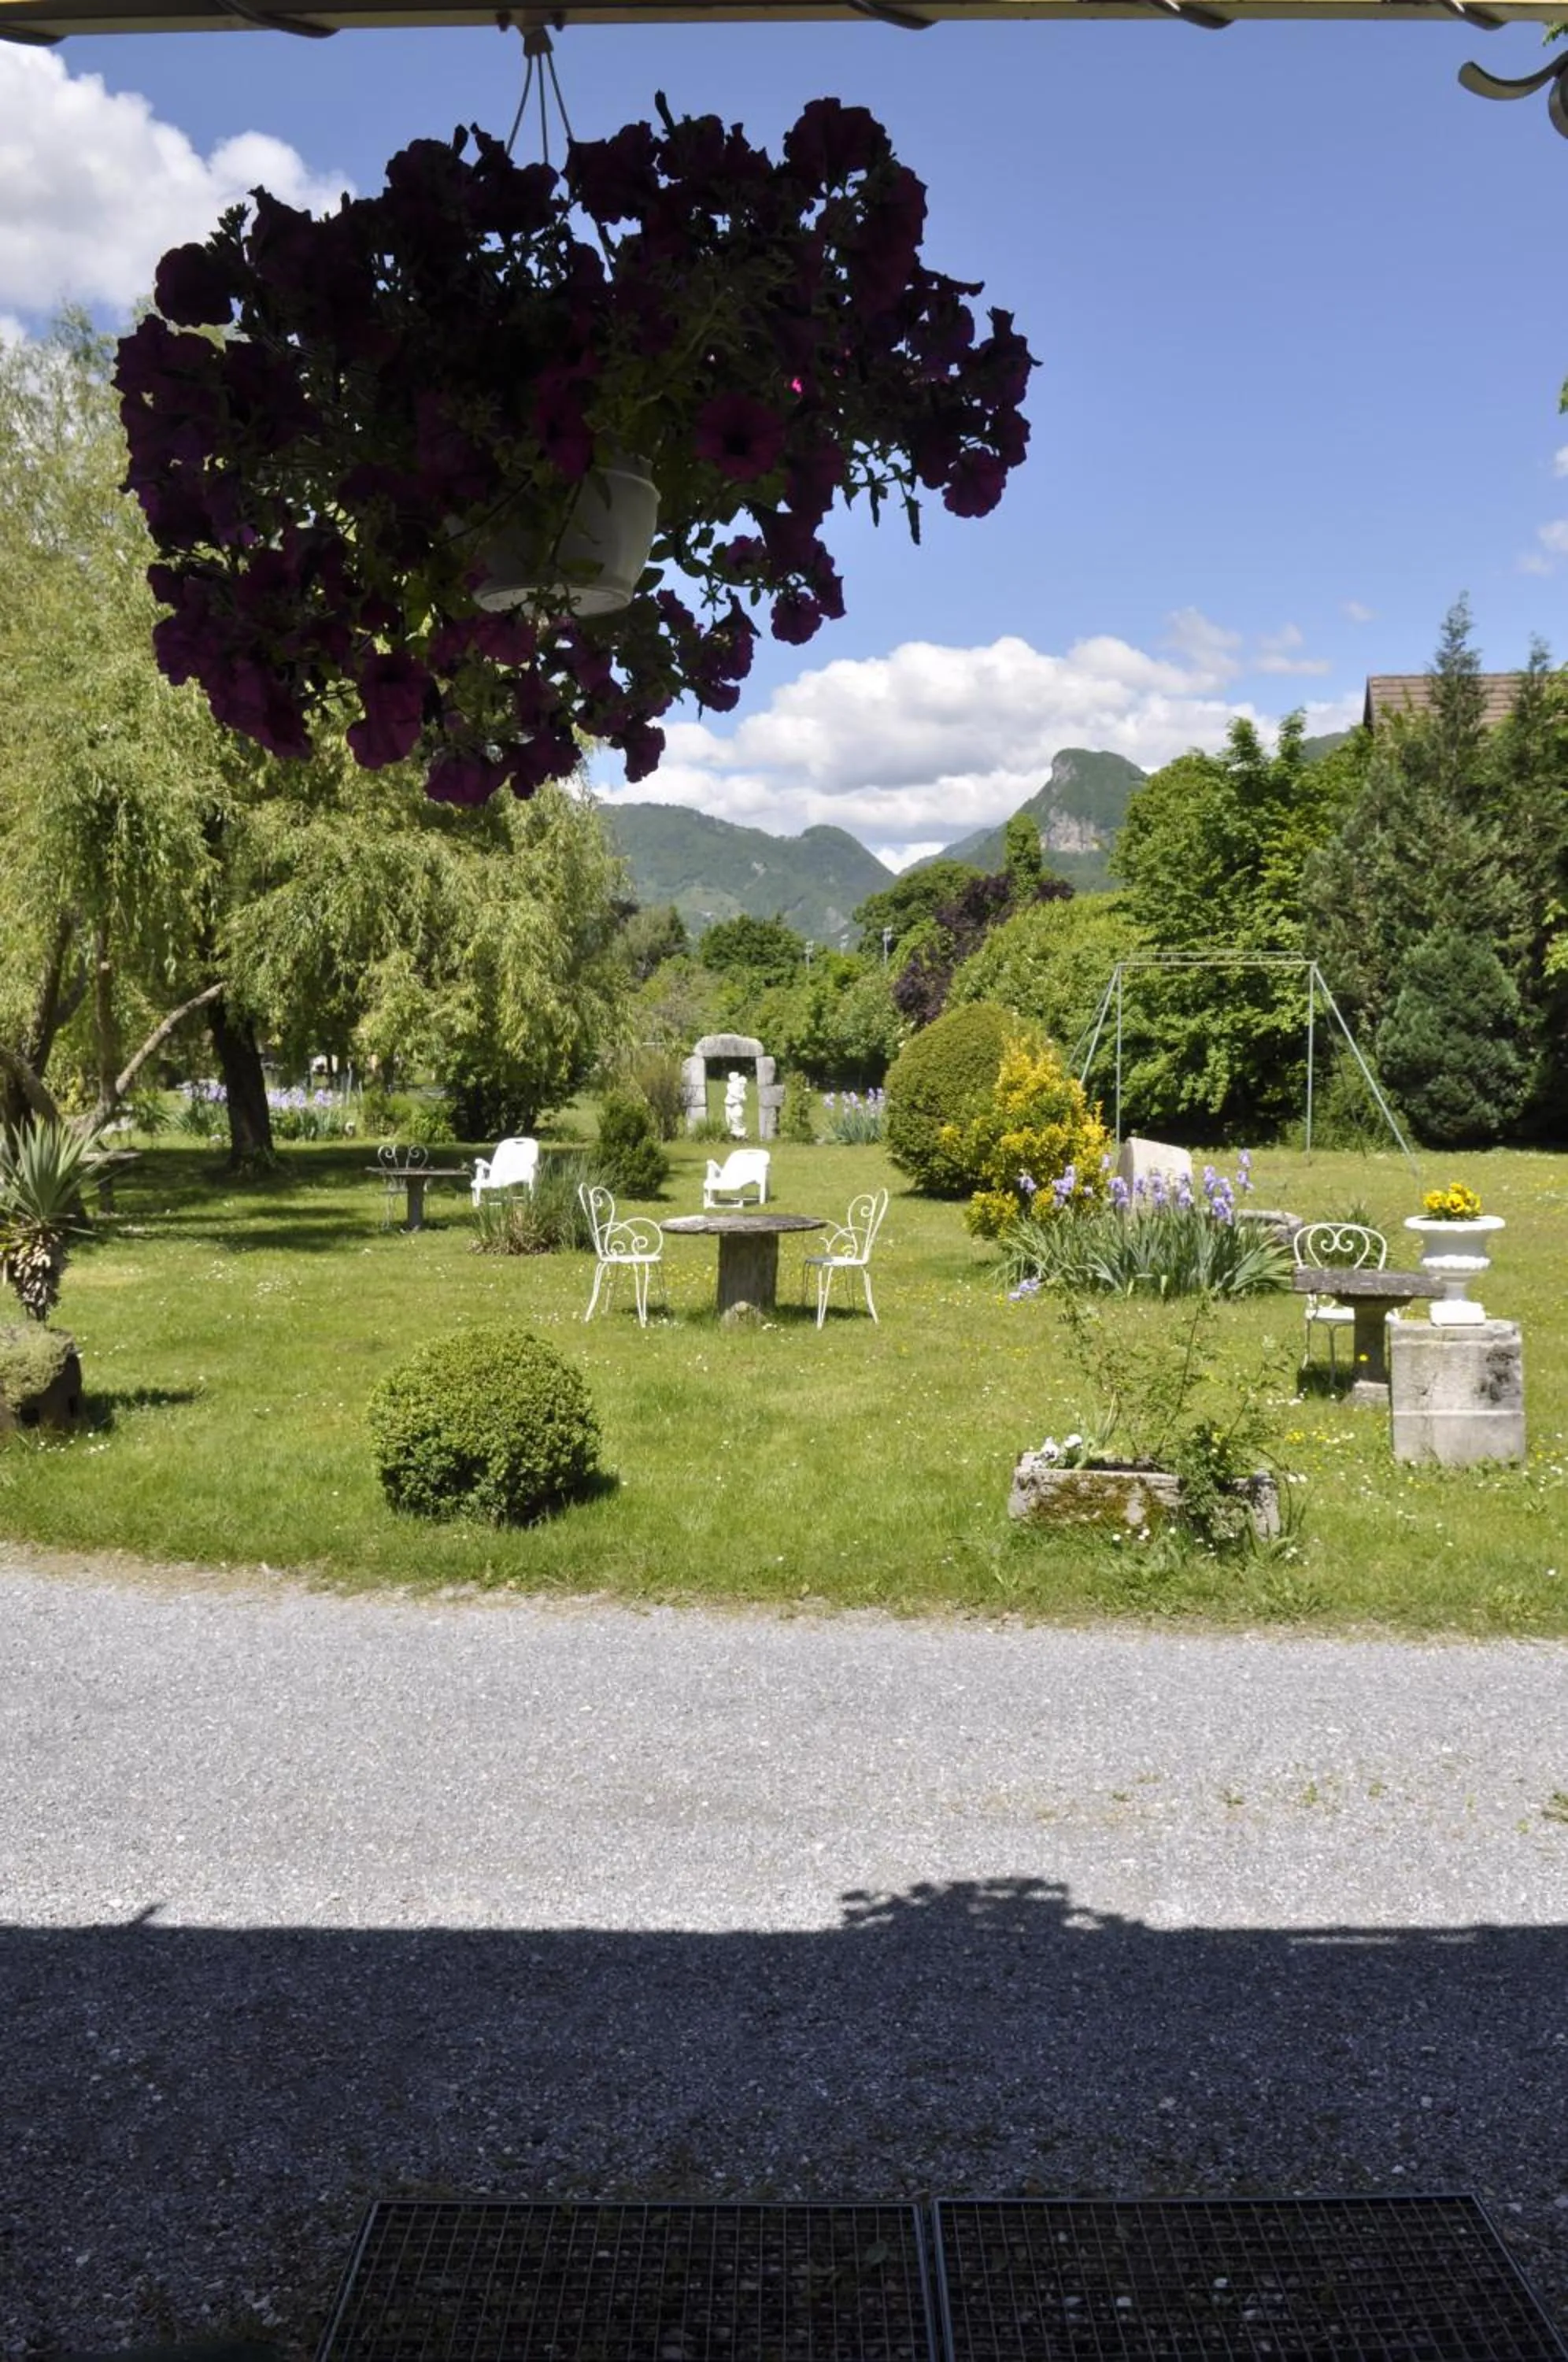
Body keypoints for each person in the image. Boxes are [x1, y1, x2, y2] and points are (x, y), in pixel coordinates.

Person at [724, 1069, 747, 1138]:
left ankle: (739, 1131)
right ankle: (732, 1131)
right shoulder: (730, 1085)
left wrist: (743, 1096)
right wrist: (741, 1097)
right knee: (729, 1118)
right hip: (729, 1103)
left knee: (737, 1116)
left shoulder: (739, 1084)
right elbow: (732, 1093)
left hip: (736, 1103)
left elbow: (742, 1092)